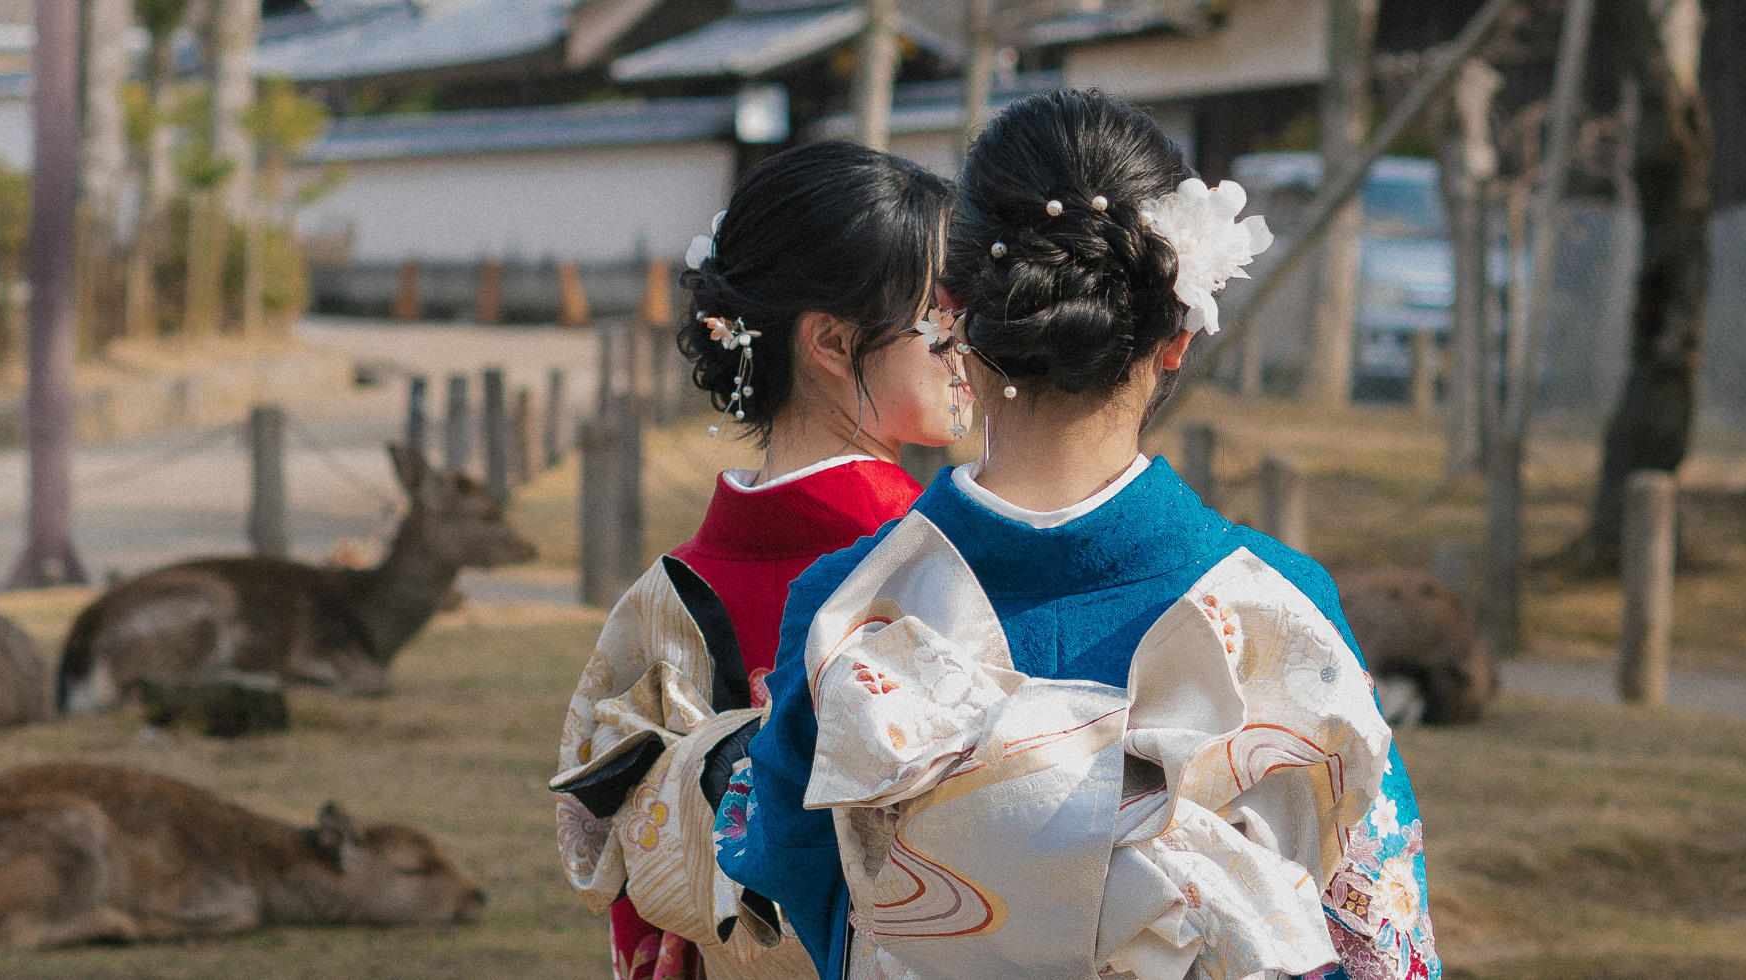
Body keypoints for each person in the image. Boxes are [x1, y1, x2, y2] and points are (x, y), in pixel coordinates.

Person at [716, 90, 1441, 980]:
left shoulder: (844, 610)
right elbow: (1381, 943)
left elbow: (791, 875)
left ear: (953, 311)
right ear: (1177, 332)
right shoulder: (1276, 613)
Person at [550, 140, 961, 980]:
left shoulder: (657, 599)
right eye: (941, 318)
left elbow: (634, 895)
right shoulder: (932, 575)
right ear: (835, 343)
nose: (967, 347)